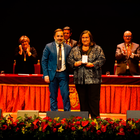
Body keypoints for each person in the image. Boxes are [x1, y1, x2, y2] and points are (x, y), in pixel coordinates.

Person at [67, 30, 106, 118]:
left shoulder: (97, 48)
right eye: (83, 37)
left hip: (94, 80)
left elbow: (102, 59)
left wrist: (94, 64)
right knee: (83, 101)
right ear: (80, 39)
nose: (85, 39)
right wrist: (75, 63)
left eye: (86, 37)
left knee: (94, 101)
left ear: (90, 38)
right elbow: (69, 59)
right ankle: (84, 121)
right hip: (80, 80)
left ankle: (95, 120)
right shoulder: (75, 49)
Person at [41, 28, 71, 111]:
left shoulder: (68, 47)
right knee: (53, 95)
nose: (60, 38)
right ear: (54, 37)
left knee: (65, 94)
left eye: (61, 36)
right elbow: (44, 61)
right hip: (52, 74)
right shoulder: (49, 46)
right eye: (58, 36)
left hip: (63, 74)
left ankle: (67, 114)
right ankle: (54, 116)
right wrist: (46, 74)